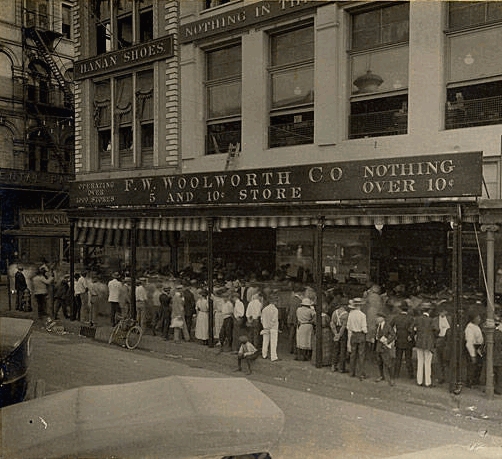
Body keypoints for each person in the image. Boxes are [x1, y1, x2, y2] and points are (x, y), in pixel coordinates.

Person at [414, 303, 438, 388]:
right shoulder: (431, 320)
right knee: (427, 363)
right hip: (428, 343)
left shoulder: (417, 319)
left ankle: (419, 381)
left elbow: (411, 328)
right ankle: (428, 382)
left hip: (419, 342)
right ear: (430, 311)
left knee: (420, 361)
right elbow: (436, 330)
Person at [390, 302, 415, 380]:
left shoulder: (396, 317)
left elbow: (389, 327)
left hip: (399, 338)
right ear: (407, 309)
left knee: (398, 358)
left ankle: (396, 374)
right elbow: (413, 329)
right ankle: (411, 375)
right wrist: (411, 336)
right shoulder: (410, 318)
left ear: (400, 309)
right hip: (407, 339)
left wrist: (394, 334)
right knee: (408, 358)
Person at [347, 298, 367, 380]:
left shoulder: (350, 314)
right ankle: (361, 373)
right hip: (361, 334)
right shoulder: (362, 315)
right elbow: (364, 328)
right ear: (360, 305)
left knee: (353, 354)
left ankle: (352, 372)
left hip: (353, 334)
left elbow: (348, 326)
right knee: (361, 355)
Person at [375, 311, 396, 386]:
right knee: (379, 362)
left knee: (388, 363)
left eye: (378, 317)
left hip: (384, 347)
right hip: (378, 346)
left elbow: (393, 335)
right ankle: (381, 376)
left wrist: (388, 341)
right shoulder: (378, 325)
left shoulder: (387, 326)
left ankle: (392, 378)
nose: (377, 319)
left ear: (382, 318)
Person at [464, 311, 484, 389]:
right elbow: (469, 343)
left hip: (478, 347)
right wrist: (472, 354)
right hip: (472, 347)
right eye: (477, 318)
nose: (479, 319)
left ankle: (475, 381)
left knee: (478, 366)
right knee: (472, 365)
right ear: (473, 319)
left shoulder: (477, 326)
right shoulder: (470, 328)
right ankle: (470, 382)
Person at [433, 306, 452, 385]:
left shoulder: (450, 319)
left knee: (447, 359)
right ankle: (441, 377)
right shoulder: (435, 320)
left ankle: (449, 377)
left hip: (448, 340)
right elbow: (434, 330)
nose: (443, 313)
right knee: (439, 359)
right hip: (440, 339)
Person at [295, 297, 315, 361]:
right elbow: (315, 318)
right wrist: (310, 321)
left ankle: (299, 356)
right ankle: (306, 355)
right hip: (308, 325)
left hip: (300, 325)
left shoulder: (298, 309)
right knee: (308, 340)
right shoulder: (310, 310)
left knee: (300, 341)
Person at [330, 301, 349, 373]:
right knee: (342, 350)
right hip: (342, 332)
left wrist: (335, 333)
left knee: (335, 349)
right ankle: (341, 368)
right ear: (344, 306)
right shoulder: (346, 314)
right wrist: (339, 335)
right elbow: (344, 326)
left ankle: (333, 366)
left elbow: (332, 323)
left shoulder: (335, 312)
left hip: (335, 330)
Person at [261, 294, 279, 362]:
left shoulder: (265, 309)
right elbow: (274, 320)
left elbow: (262, 319)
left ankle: (264, 354)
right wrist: (270, 326)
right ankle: (273, 357)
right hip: (273, 328)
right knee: (273, 342)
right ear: (274, 302)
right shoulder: (275, 309)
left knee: (265, 341)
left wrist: (265, 326)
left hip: (265, 327)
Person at [287, 284, 303, 354]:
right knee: (297, 335)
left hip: (290, 318)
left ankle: (290, 349)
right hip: (297, 319)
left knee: (291, 334)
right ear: (299, 292)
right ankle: (296, 350)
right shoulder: (300, 301)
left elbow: (287, 310)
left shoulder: (290, 300)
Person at [493, 316, 502, 395]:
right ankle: (498, 389)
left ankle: (497, 388)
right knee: (499, 373)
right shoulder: (499, 333)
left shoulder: (493, 333)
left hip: (495, 355)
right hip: (498, 355)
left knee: (495, 373)